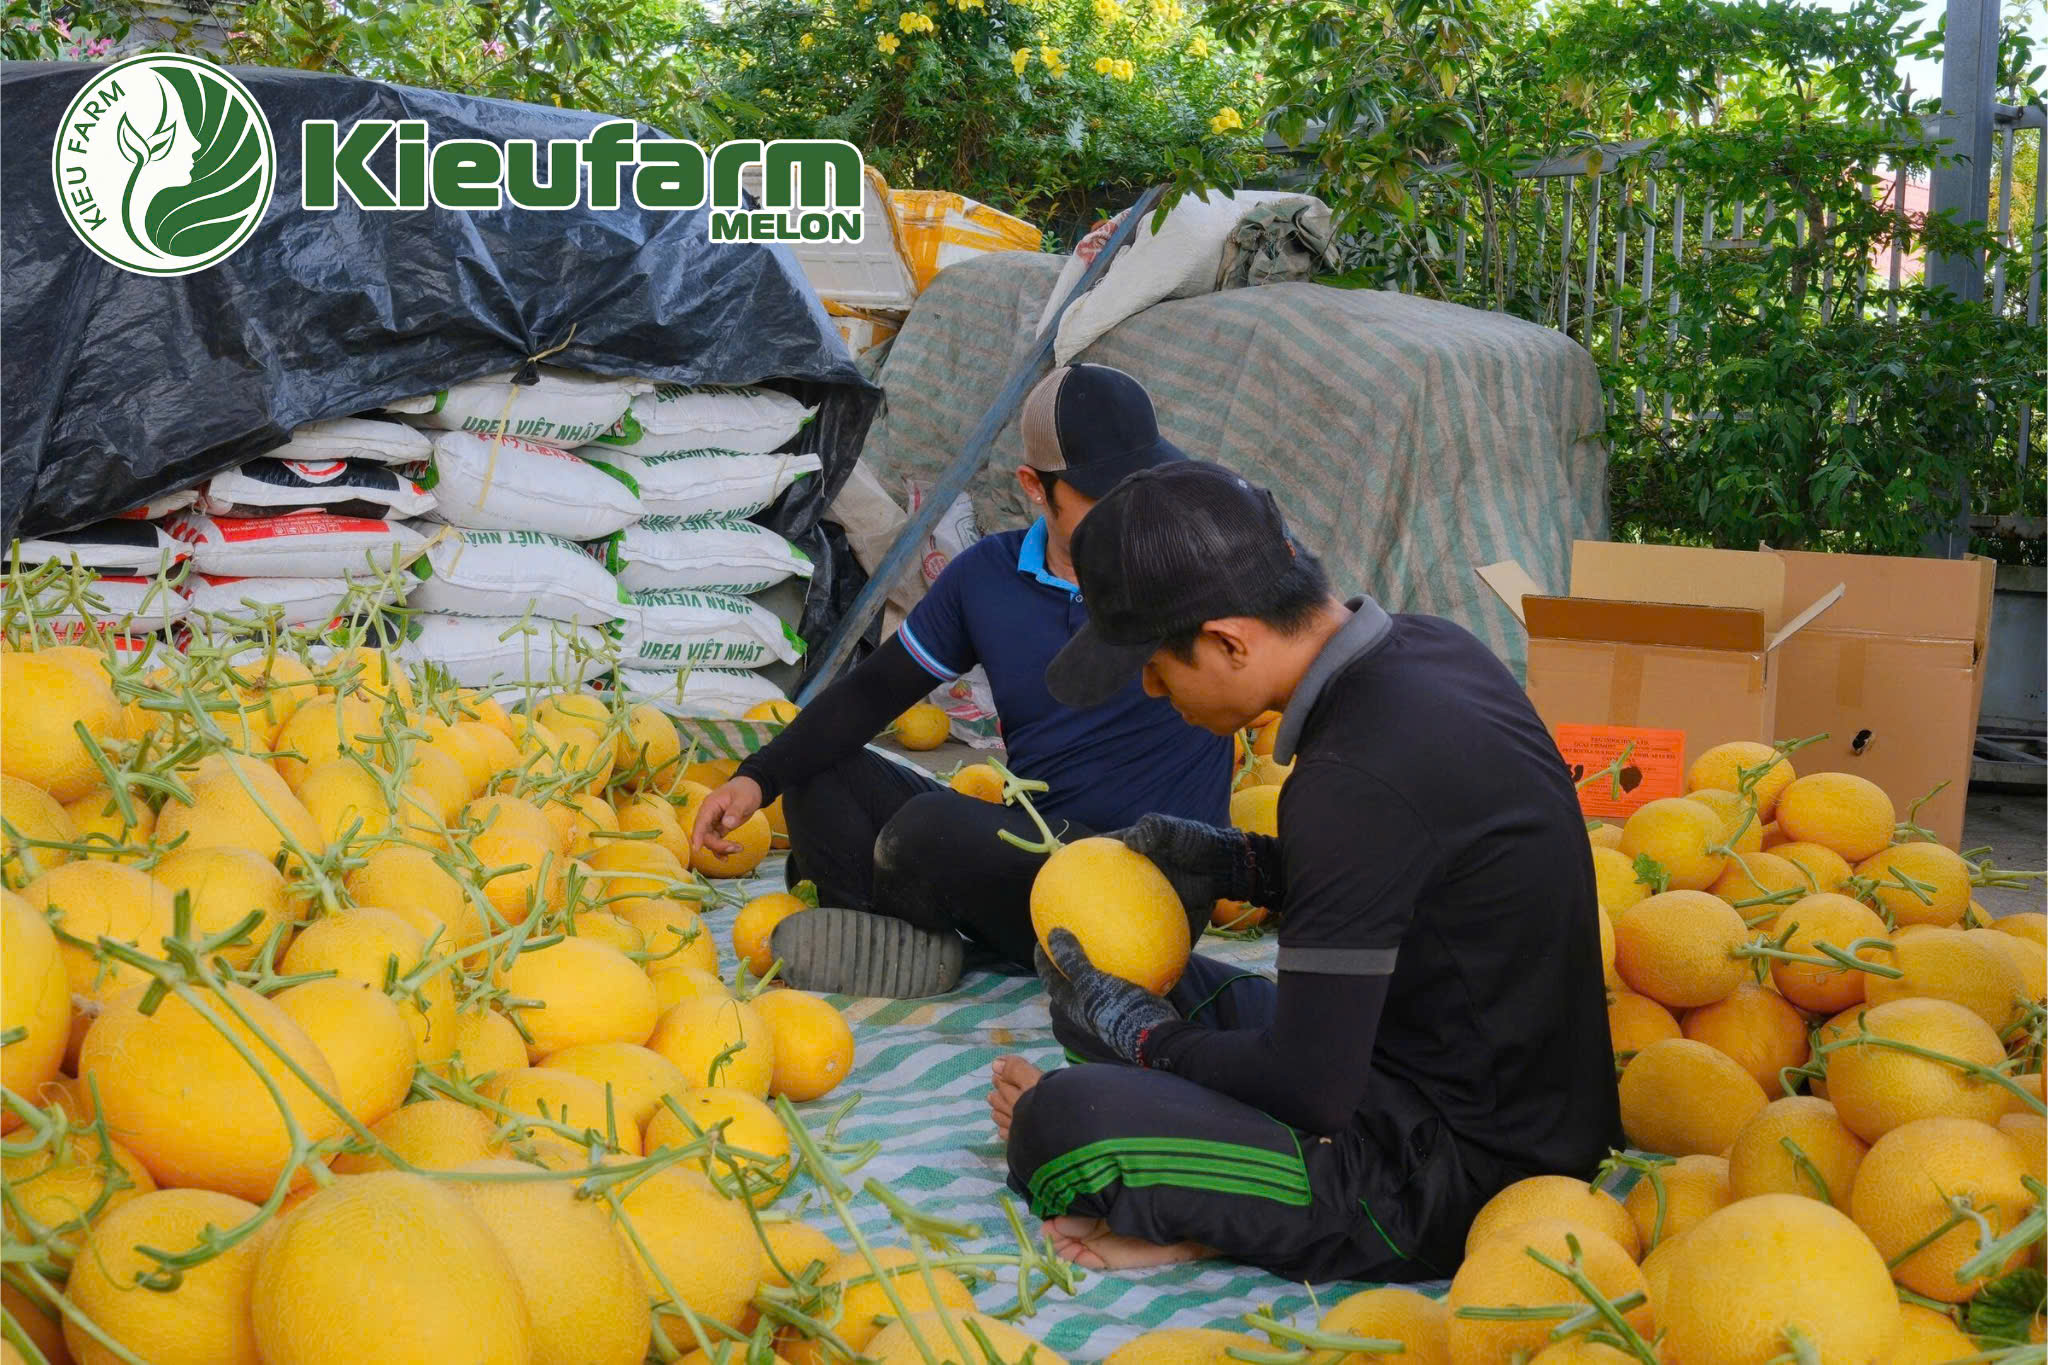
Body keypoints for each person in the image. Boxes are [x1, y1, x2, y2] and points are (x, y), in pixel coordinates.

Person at [986, 460, 1621, 1282]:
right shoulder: (1434, 648)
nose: (1146, 686)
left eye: (1155, 664)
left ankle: (1234, 1213)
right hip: (1466, 1077)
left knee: (1061, 1126)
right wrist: (1236, 863)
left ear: (1228, 640)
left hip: (1467, 1170)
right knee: (1100, 978)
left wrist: (1145, 1038)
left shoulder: (1349, 779)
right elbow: (1404, 878)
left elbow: (1309, 1086)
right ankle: (1211, 1186)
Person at [692, 364, 1233, 998]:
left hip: (1148, 901)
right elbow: (871, 694)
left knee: (926, 832)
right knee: (818, 765)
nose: (1128, 510)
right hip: (1042, 862)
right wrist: (756, 778)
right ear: (1035, 486)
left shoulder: (1193, 561)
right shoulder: (989, 577)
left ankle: (919, 927)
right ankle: (882, 939)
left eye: (1140, 485)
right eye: (1101, 495)